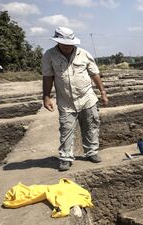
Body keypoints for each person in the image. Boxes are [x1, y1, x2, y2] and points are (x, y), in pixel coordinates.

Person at [41, 26, 109, 172]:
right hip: (66, 101)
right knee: (66, 129)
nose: (67, 47)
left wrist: (102, 92)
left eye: (69, 44)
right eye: (63, 44)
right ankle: (66, 157)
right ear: (57, 42)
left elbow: (95, 74)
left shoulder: (83, 54)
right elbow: (47, 77)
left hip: (87, 97)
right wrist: (46, 97)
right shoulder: (49, 55)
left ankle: (91, 152)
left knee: (91, 125)